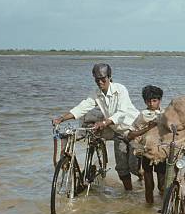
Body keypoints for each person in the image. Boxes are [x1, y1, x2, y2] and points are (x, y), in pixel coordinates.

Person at [52, 63, 140, 191]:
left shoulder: (120, 89)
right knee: (121, 168)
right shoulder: (96, 93)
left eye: (103, 79)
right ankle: (129, 195)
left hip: (133, 129)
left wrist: (104, 123)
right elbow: (82, 107)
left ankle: (142, 178)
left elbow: (122, 113)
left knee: (134, 167)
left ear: (109, 77)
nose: (100, 82)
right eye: (96, 79)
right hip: (118, 131)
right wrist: (62, 118)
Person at [128, 85, 166, 204]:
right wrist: (147, 128)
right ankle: (149, 207)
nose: (151, 103)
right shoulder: (142, 116)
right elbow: (130, 134)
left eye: (154, 100)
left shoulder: (165, 114)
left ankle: (163, 206)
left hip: (161, 152)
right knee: (149, 184)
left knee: (162, 183)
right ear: (145, 101)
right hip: (146, 152)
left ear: (159, 100)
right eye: (148, 101)